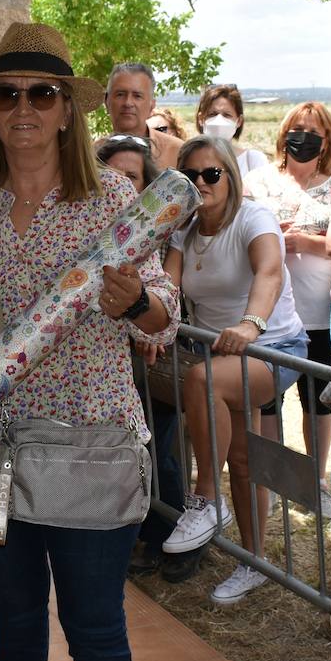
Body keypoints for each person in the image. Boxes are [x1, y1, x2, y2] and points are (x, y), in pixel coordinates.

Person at [0, 23, 178, 661]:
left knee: (95, 626)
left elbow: (164, 321)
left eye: (42, 94)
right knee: (12, 616)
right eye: (8, 94)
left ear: (67, 109)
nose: (23, 109)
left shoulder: (112, 198)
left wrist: (133, 301)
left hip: (87, 450)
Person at [159, 135, 308, 606]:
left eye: (212, 174)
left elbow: (270, 271)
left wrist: (251, 323)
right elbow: (167, 287)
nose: (202, 183)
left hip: (271, 346)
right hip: (219, 354)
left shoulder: (254, 217)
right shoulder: (184, 232)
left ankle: (205, 500)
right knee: (242, 460)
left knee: (202, 383)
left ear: (230, 175)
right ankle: (255, 562)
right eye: (191, 176)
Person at [93, 135, 203, 582]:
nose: (120, 185)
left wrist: (149, 320)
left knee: (163, 453)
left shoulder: (152, 235)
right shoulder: (89, 229)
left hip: (148, 361)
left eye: (132, 177)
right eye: (111, 175)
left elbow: (162, 300)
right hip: (109, 375)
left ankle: (170, 537)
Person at [244, 102, 331, 517]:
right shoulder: (259, 181)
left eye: (315, 130)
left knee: (316, 403)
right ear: (284, 134)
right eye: (298, 128)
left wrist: (297, 242)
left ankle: (315, 481)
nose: (305, 137)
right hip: (272, 316)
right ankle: (272, 480)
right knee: (266, 403)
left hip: (317, 313)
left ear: (327, 140)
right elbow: (244, 231)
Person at [104, 62, 178, 170]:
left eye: (137, 96)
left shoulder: (177, 152)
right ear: (106, 101)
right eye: (120, 94)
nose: (128, 103)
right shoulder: (90, 155)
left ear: (152, 105)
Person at [194, 84, 269, 175]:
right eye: (212, 114)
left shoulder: (254, 160)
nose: (219, 120)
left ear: (239, 121)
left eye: (226, 115)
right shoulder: (191, 160)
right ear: (201, 119)